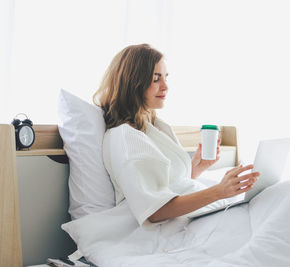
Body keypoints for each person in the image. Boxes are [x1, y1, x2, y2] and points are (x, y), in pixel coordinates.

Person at [93, 44, 260, 228]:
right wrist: (218, 191)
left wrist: (195, 169)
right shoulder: (125, 137)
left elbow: (168, 185)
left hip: (204, 215)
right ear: (133, 82)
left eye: (165, 77)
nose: (165, 86)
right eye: (156, 79)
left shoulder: (153, 127)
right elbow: (155, 210)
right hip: (179, 227)